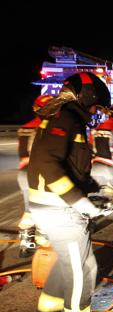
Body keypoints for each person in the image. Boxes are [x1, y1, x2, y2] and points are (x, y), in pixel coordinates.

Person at [27, 72, 112, 312]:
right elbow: (49, 164)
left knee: (66, 263)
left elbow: (69, 166)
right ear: (88, 96)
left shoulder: (60, 116)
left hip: (51, 207)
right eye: (96, 106)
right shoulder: (67, 118)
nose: (95, 112)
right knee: (83, 269)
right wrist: (81, 201)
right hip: (60, 210)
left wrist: (92, 189)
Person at [16, 94, 53, 258]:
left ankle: (26, 242)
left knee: (29, 207)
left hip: (24, 173)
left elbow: (22, 154)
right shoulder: (52, 128)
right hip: (41, 173)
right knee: (47, 206)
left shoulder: (25, 128)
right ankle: (44, 239)